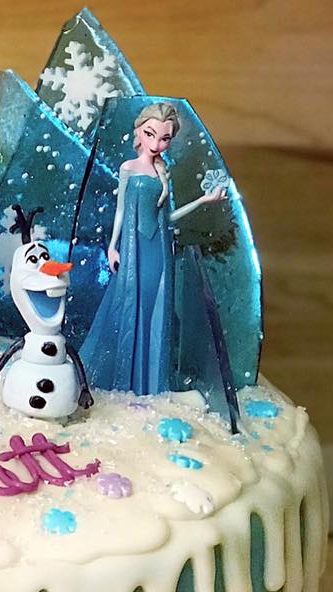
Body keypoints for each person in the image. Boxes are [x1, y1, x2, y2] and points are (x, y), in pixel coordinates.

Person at [79, 102, 225, 394]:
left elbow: (167, 218)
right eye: (150, 134)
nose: (157, 144)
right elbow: (121, 210)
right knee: (129, 302)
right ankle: (123, 376)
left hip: (158, 250)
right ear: (139, 132)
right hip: (133, 249)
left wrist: (202, 201)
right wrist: (112, 246)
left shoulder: (163, 173)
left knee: (155, 306)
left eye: (165, 138)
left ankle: (149, 381)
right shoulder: (128, 168)